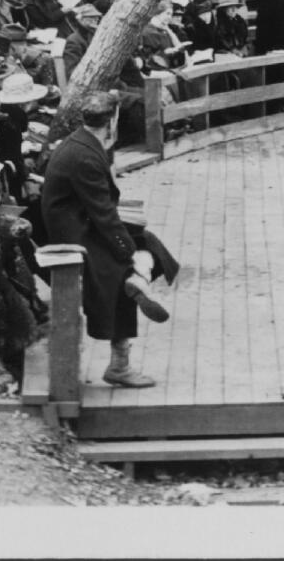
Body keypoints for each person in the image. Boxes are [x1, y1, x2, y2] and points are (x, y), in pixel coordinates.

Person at [41, 90, 170, 389]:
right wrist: (127, 253)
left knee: (148, 241)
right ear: (112, 120)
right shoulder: (85, 156)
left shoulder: (85, 142)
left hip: (82, 222)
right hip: (72, 235)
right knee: (120, 271)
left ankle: (140, 278)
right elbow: (103, 214)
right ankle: (119, 365)